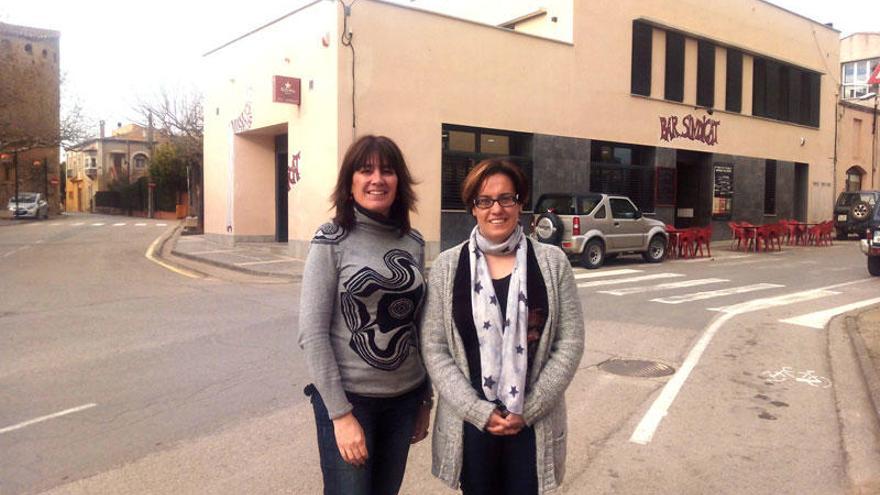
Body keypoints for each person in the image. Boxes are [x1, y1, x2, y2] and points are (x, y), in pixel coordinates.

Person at [421, 158, 584, 495]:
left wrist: (531, 408)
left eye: (506, 198)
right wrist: (475, 410)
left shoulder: (553, 264)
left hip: (532, 422)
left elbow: (570, 342)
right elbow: (435, 347)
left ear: (520, 203)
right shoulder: (448, 266)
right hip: (472, 424)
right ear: (473, 208)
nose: (497, 208)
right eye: (485, 200)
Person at [298, 135, 432, 495]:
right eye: (366, 170)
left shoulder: (414, 243)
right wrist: (340, 416)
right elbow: (312, 334)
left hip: (404, 400)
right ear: (350, 181)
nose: (377, 179)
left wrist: (424, 399)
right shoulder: (332, 239)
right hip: (351, 402)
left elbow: (420, 328)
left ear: (399, 182)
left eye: (387, 171)